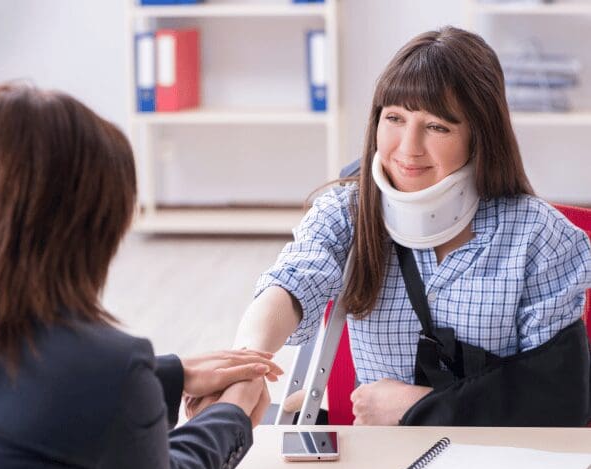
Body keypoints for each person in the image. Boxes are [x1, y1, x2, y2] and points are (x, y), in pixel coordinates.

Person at [0, 83, 282, 469]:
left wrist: (167, 376)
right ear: (93, 228)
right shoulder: (105, 368)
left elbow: (11, 394)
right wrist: (231, 413)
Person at [234, 26, 591, 426]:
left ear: (480, 135)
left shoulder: (541, 238)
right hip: (380, 463)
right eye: (395, 118)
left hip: (501, 465)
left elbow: (559, 400)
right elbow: (290, 285)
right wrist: (244, 370)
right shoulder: (349, 211)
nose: (408, 148)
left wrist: (420, 407)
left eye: (437, 126)